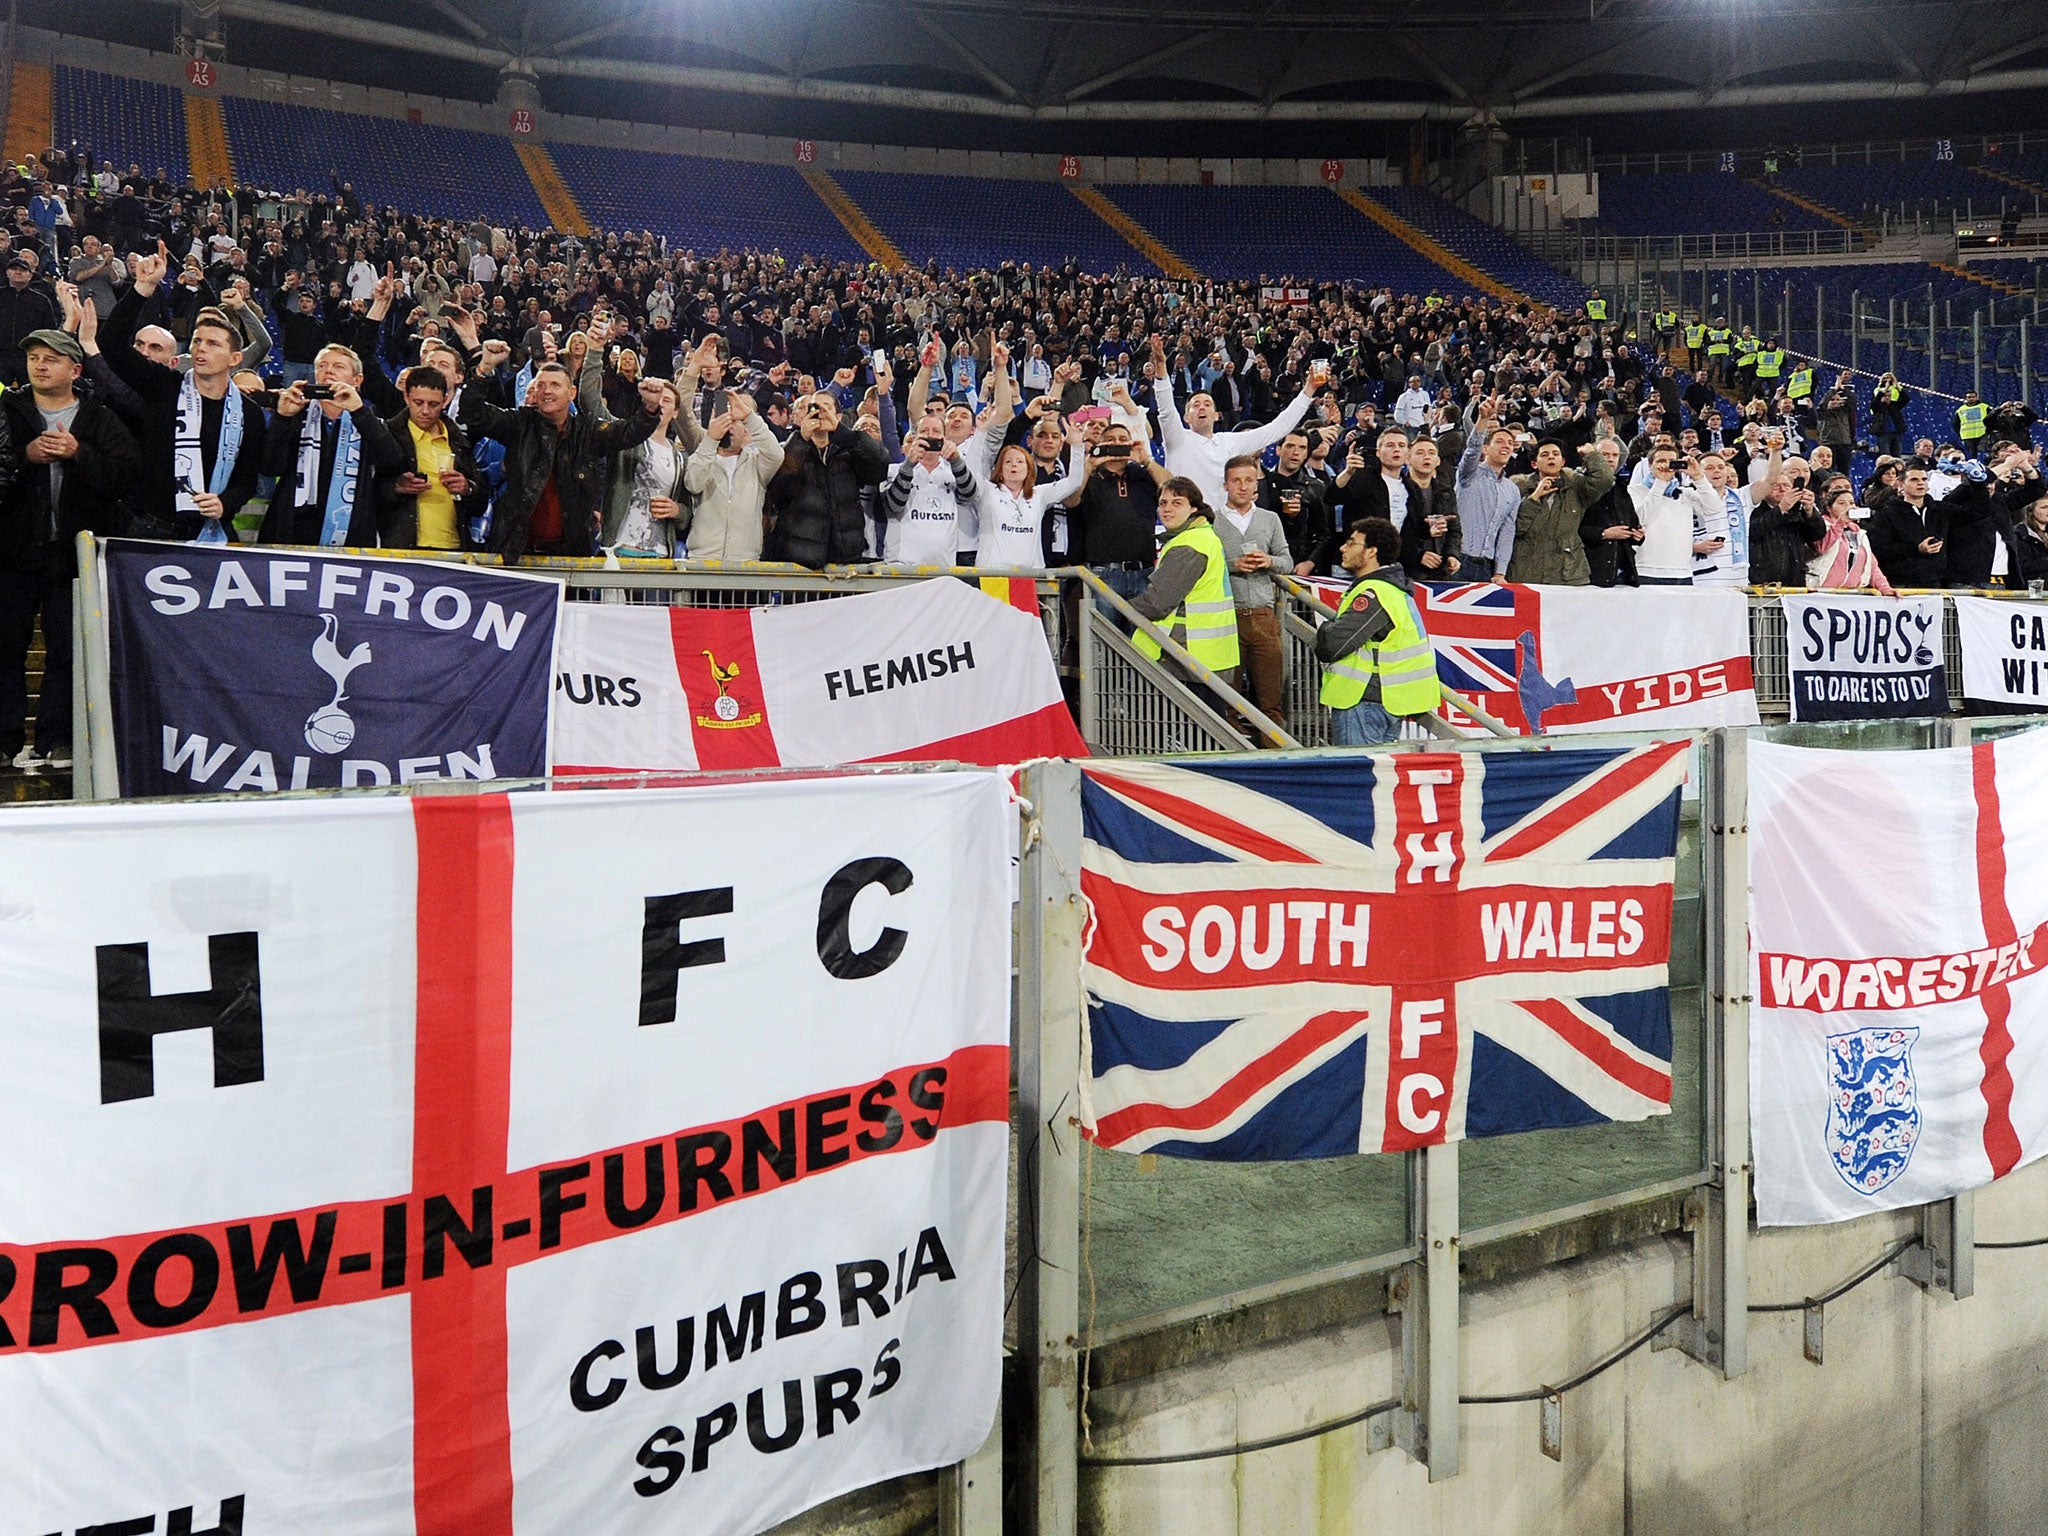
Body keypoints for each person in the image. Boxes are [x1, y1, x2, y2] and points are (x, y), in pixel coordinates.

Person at [445, 307, 666, 562]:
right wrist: (483, 367)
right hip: (517, 551)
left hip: (571, 554)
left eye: (554, 385)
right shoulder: (519, 423)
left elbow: (628, 433)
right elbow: (472, 414)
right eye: (541, 385)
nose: (546, 391)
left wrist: (649, 408)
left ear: (571, 393)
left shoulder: (588, 431)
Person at [3, 329, 123, 769]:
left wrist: (79, 453)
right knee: (5, 648)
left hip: (71, 555)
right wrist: (23, 457)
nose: (39, 365)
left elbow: (124, 474)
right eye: (34, 357)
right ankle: (4, 740)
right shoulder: (7, 411)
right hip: (12, 552)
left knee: (66, 652)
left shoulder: (99, 417)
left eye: (51, 358)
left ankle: (54, 739)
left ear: (75, 369)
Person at [100, 249, 266, 542]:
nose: (201, 347)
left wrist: (226, 503)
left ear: (235, 358)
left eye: (213, 343)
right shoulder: (164, 385)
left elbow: (246, 480)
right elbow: (111, 344)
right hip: (150, 527)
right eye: (197, 341)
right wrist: (142, 289)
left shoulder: (249, 414)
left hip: (210, 532)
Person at [1148, 332, 1322, 507]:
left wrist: (1308, 390)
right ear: (1186, 418)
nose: (1202, 407)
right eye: (1196, 405)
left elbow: (1277, 428)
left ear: (1217, 415)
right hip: (1187, 525)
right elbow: (1166, 410)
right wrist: (1161, 366)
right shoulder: (1178, 439)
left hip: (1223, 527)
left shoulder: (1230, 442)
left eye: (1208, 404)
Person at [1313, 517, 1442, 747]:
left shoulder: (1374, 593)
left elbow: (1332, 644)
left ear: (1372, 552)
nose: (1343, 548)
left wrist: (1325, 627)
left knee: (1357, 776)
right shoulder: (1394, 589)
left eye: (1351, 543)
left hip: (1364, 702)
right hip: (1384, 700)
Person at [259, 344, 403, 546]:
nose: (328, 371)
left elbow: (391, 460)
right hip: (292, 529)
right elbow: (270, 467)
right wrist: (282, 419)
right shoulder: (293, 414)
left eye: (338, 366)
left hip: (349, 532)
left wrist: (359, 412)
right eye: (323, 366)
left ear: (357, 380)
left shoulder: (369, 421)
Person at [1127, 476, 1239, 681]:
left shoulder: (1189, 545)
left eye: (1177, 503)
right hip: (1207, 655)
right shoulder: (1202, 536)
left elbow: (1158, 603)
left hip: (1185, 658)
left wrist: (1121, 607)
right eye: (1163, 503)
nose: (1167, 509)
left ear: (1194, 508)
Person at [1214, 455, 1292, 734]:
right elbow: (1202, 565)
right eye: (1236, 480)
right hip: (1225, 617)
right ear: (1225, 485)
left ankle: (1275, 756)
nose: (1243, 486)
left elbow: (1287, 561)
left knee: (1271, 699)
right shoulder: (1211, 520)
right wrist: (1232, 565)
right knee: (1227, 700)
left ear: (1256, 484)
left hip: (1263, 616)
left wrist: (1269, 561)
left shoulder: (1269, 519)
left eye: (1249, 480)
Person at [765, 392, 888, 569]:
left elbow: (879, 468)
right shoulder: (791, 448)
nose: (820, 413)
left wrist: (844, 433)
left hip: (844, 560)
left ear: (838, 416)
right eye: (814, 408)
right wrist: (802, 440)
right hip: (800, 562)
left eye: (826, 408)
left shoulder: (850, 450)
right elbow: (780, 493)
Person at [379, 365, 487, 552]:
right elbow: (367, 494)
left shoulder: (460, 441)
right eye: (418, 402)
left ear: (445, 401)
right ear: (406, 397)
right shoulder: (387, 436)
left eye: (433, 404)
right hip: (402, 550)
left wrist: (467, 488)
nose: (426, 411)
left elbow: (480, 504)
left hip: (454, 549)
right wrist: (396, 487)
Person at [1069, 421, 1166, 602]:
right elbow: (1070, 500)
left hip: (1144, 571)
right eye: (1110, 440)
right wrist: (1089, 465)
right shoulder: (1090, 477)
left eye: (1122, 439)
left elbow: (1173, 488)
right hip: (1104, 573)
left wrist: (1146, 460)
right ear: (1101, 445)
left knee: (1142, 630)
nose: (1116, 443)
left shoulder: (1143, 475)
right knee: (1103, 630)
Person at [682, 391, 784, 561]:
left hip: (744, 562)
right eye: (724, 417)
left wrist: (749, 417)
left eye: (736, 421)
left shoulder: (756, 463)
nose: (729, 424)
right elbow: (693, 483)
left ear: (746, 429)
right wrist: (710, 439)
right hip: (702, 560)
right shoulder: (702, 457)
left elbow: (776, 454)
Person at [1507, 437, 1615, 586]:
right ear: (1534, 464)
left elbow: (1605, 479)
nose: (1551, 457)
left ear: (1563, 462)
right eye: (1544, 455)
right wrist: (1534, 498)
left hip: (1568, 572)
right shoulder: (1518, 487)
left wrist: (1592, 455)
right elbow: (1517, 528)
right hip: (1526, 571)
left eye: (1555, 454)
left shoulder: (1576, 486)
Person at [878, 414, 978, 567]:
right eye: (924, 431)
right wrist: (909, 466)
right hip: (902, 566)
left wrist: (956, 460)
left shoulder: (954, 472)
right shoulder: (894, 470)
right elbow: (894, 505)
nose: (930, 436)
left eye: (936, 431)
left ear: (945, 437)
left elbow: (969, 496)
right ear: (915, 436)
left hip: (943, 567)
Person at [977, 429, 1083, 569]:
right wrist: (980, 432)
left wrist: (1077, 446)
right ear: (1000, 470)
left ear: (1029, 470)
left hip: (1030, 574)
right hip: (992, 574)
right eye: (1008, 462)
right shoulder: (987, 491)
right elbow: (973, 471)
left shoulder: (1039, 494)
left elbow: (1074, 482)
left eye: (1020, 461)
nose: (1014, 465)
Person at [1455, 409, 1521, 582]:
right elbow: (1471, 452)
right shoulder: (1469, 474)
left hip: (1486, 567)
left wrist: (1500, 572)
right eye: (1499, 441)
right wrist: (1483, 419)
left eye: (1510, 443)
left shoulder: (1513, 490)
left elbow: (1507, 532)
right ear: (1485, 448)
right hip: (1457, 561)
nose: (1506, 445)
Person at [1867, 464, 1948, 588]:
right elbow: (1878, 550)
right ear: (1901, 485)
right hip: (1900, 584)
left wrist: (1977, 483)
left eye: (1924, 479)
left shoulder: (1941, 510)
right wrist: (1916, 549)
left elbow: (1979, 513)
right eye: (1914, 479)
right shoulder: (1887, 514)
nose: (1920, 483)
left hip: (1936, 582)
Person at [1808, 479, 1895, 593]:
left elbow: (1871, 566)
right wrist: (1840, 523)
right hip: (1820, 592)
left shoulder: (1859, 533)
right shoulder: (1820, 525)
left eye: (1851, 503)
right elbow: (1821, 547)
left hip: (1851, 596)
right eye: (1841, 503)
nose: (1848, 507)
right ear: (1829, 508)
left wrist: (1885, 588)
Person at [1397, 437, 1462, 582]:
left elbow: (1454, 530)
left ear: (1438, 461)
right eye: (1420, 453)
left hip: (1439, 572)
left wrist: (1452, 555)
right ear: (1407, 459)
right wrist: (1417, 555)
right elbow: (1394, 532)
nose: (1427, 457)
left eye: (1431, 453)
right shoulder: (1399, 489)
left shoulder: (1446, 492)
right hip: (1405, 571)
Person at [2004, 490, 2048, 592]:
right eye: (2044, 507)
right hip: (2030, 590)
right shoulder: (2020, 534)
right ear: (2031, 511)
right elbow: (2022, 564)